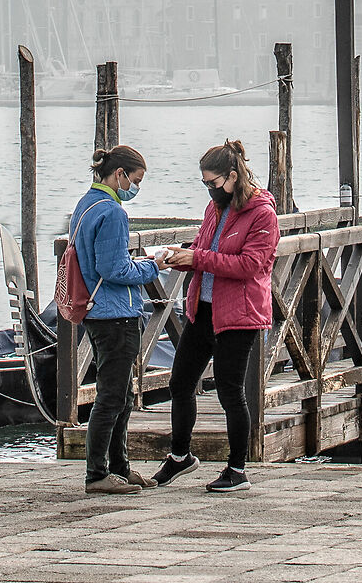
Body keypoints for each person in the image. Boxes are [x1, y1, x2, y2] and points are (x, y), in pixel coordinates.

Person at [149, 139, 278, 493]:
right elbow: (206, 249)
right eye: (205, 184)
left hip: (240, 315)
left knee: (229, 390)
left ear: (233, 176)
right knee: (180, 383)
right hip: (202, 309)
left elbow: (252, 265)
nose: (210, 190)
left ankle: (238, 469)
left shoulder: (263, 213)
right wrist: (183, 253)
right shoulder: (214, 209)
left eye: (214, 183)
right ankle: (180, 457)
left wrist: (198, 259)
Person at [71, 145, 164, 495]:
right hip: (115, 314)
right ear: (120, 174)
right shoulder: (113, 212)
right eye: (135, 180)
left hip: (96, 312)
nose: (135, 187)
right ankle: (97, 474)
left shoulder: (86, 204)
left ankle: (119, 468)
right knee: (112, 397)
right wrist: (156, 265)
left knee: (122, 394)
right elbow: (114, 269)